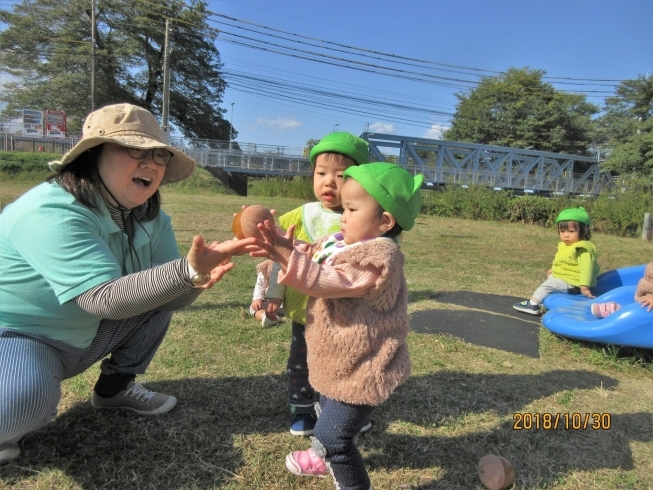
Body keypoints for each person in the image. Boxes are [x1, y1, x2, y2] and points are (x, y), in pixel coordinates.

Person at [0, 103, 257, 465]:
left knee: (158, 293)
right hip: (18, 335)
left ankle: (115, 388)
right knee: (22, 403)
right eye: (134, 149)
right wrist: (183, 273)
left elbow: (165, 301)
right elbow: (102, 299)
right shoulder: (49, 210)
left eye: (159, 154)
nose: (151, 163)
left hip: (84, 336)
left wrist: (193, 281)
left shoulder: (152, 217)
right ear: (93, 154)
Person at [252, 162, 422, 490]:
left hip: (363, 367)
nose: (342, 215)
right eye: (344, 207)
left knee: (334, 437)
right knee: (325, 403)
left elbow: (329, 279)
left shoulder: (378, 260)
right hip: (340, 359)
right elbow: (315, 253)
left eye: (352, 208)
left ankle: (342, 469)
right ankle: (320, 456)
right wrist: (281, 245)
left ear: (385, 222)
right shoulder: (343, 241)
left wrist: (289, 256)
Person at [264, 131, 370, 436]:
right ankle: (301, 408)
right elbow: (278, 257)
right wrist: (273, 293)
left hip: (345, 313)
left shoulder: (364, 219)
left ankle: (339, 410)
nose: (329, 182)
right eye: (321, 173)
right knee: (301, 362)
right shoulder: (299, 216)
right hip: (304, 310)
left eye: (341, 175)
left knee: (341, 362)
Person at [513, 207, 599, 316]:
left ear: (584, 230)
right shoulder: (565, 245)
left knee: (548, 285)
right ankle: (545, 300)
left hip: (574, 284)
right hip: (566, 278)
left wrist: (584, 287)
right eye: (562, 231)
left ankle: (533, 304)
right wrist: (554, 269)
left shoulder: (582, 248)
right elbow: (562, 261)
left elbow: (586, 269)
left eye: (571, 231)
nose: (566, 235)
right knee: (551, 279)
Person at [249, 259, 282, 327]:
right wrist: (258, 299)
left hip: (289, 304)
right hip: (271, 304)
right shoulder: (266, 267)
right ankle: (265, 316)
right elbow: (260, 284)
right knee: (255, 307)